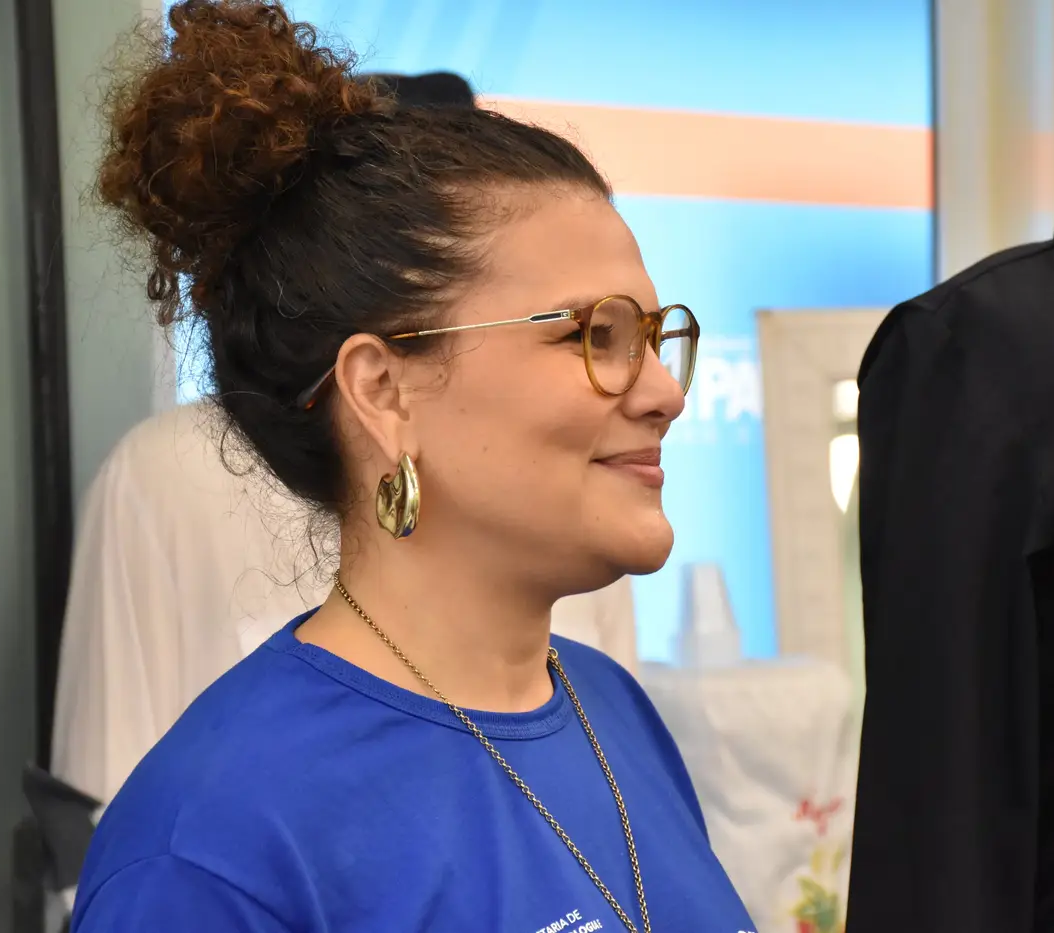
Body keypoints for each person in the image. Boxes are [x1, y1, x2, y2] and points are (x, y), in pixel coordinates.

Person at [71, 2, 752, 931]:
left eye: (654, 335)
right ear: (384, 391)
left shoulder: (614, 713)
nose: (664, 393)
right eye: (595, 335)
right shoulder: (216, 848)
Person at [52, 400, 642, 812]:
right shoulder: (169, 477)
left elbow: (628, 817)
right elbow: (109, 819)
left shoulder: (585, 509)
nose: (661, 394)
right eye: (581, 334)